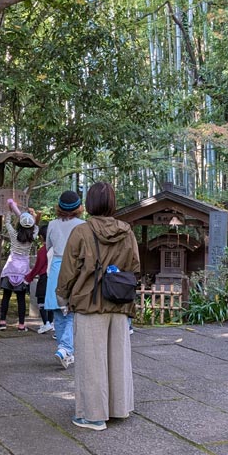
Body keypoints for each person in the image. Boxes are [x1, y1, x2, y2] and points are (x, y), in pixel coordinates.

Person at [57, 181, 140, 431]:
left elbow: (68, 271)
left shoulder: (81, 232)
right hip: (118, 301)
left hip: (89, 302)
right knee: (118, 358)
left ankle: (92, 415)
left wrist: (63, 297)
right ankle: (118, 407)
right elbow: (134, 266)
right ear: (113, 202)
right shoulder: (127, 231)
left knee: (91, 361)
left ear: (89, 204)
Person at [46, 190, 86, 368]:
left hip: (55, 268)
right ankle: (65, 349)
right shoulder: (83, 225)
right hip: (74, 267)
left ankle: (65, 351)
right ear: (79, 207)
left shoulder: (52, 224)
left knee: (57, 312)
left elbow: (48, 246)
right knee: (70, 312)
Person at [0, 198, 37, 331]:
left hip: (10, 268)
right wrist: (32, 215)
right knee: (21, 299)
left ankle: (2, 322)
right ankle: (21, 325)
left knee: (6, 297)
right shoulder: (32, 237)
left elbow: (7, 222)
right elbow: (35, 226)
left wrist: (10, 209)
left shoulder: (14, 235)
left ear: (20, 224)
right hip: (23, 270)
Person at [25, 224, 55, 334]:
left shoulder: (43, 250)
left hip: (44, 277)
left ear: (41, 237)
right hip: (54, 277)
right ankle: (51, 323)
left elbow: (38, 267)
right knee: (51, 301)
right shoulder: (56, 248)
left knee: (41, 300)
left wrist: (29, 277)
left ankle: (46, 323)